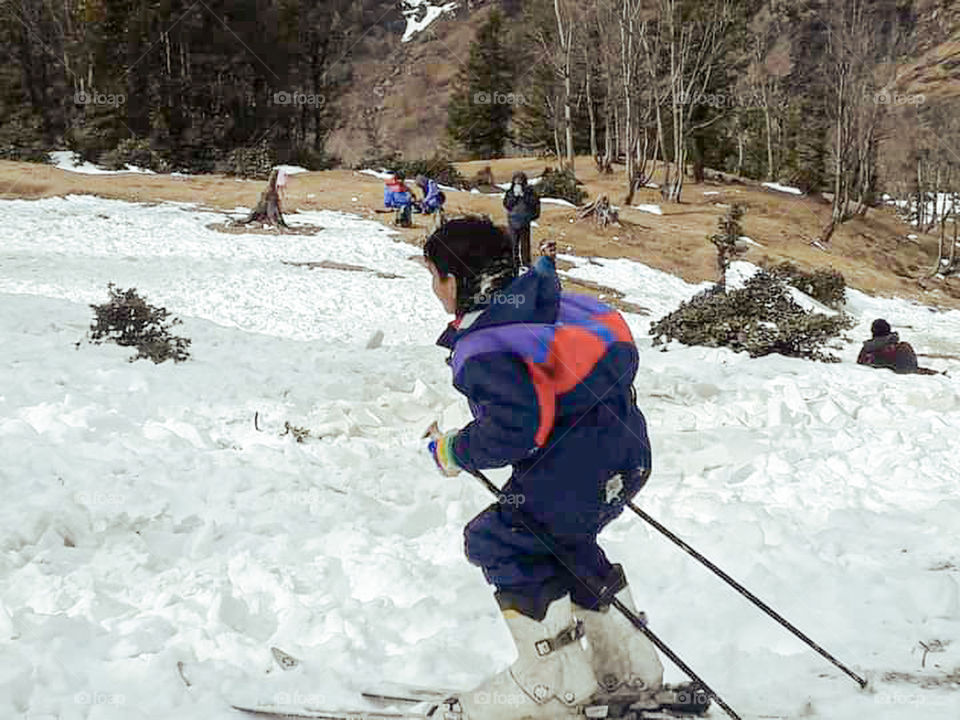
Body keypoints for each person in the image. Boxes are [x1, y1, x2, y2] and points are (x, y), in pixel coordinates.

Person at [422, 217, 662, 720]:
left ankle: (551, 682)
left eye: (435, 275)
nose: (434, 289)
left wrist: (453, 451)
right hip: (628, 454)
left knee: (499, 539)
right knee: (563, 542)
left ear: (456, 280)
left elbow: (515, 431)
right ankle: (629, 665)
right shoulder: (558, 304)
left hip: (574, 472)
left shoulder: (484, 346)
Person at [503, 171, 540, 273]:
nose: (518, 183)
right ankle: (514, 263)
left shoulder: (529, 192)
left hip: (524, 221)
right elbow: (507, 204)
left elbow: (534, 203)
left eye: (520, 181)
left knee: (525, 244)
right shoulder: (510, 192)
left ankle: (526, 263)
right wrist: (515, 196)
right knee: (513, 244)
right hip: (513, 221)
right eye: (516, 181)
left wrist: (523, 195)